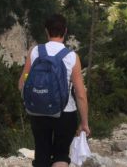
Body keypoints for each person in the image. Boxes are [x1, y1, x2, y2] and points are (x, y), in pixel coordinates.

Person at [18, 13, 90, 167]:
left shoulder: (35, 51)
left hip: (38, 112)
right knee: (61, 155)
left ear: (46, 31)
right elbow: (80, 94)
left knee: (42, 154)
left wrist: (32, 98)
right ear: (65, 31)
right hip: (65, 113)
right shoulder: (72, 57)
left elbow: (22, 82)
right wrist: (84, 122)